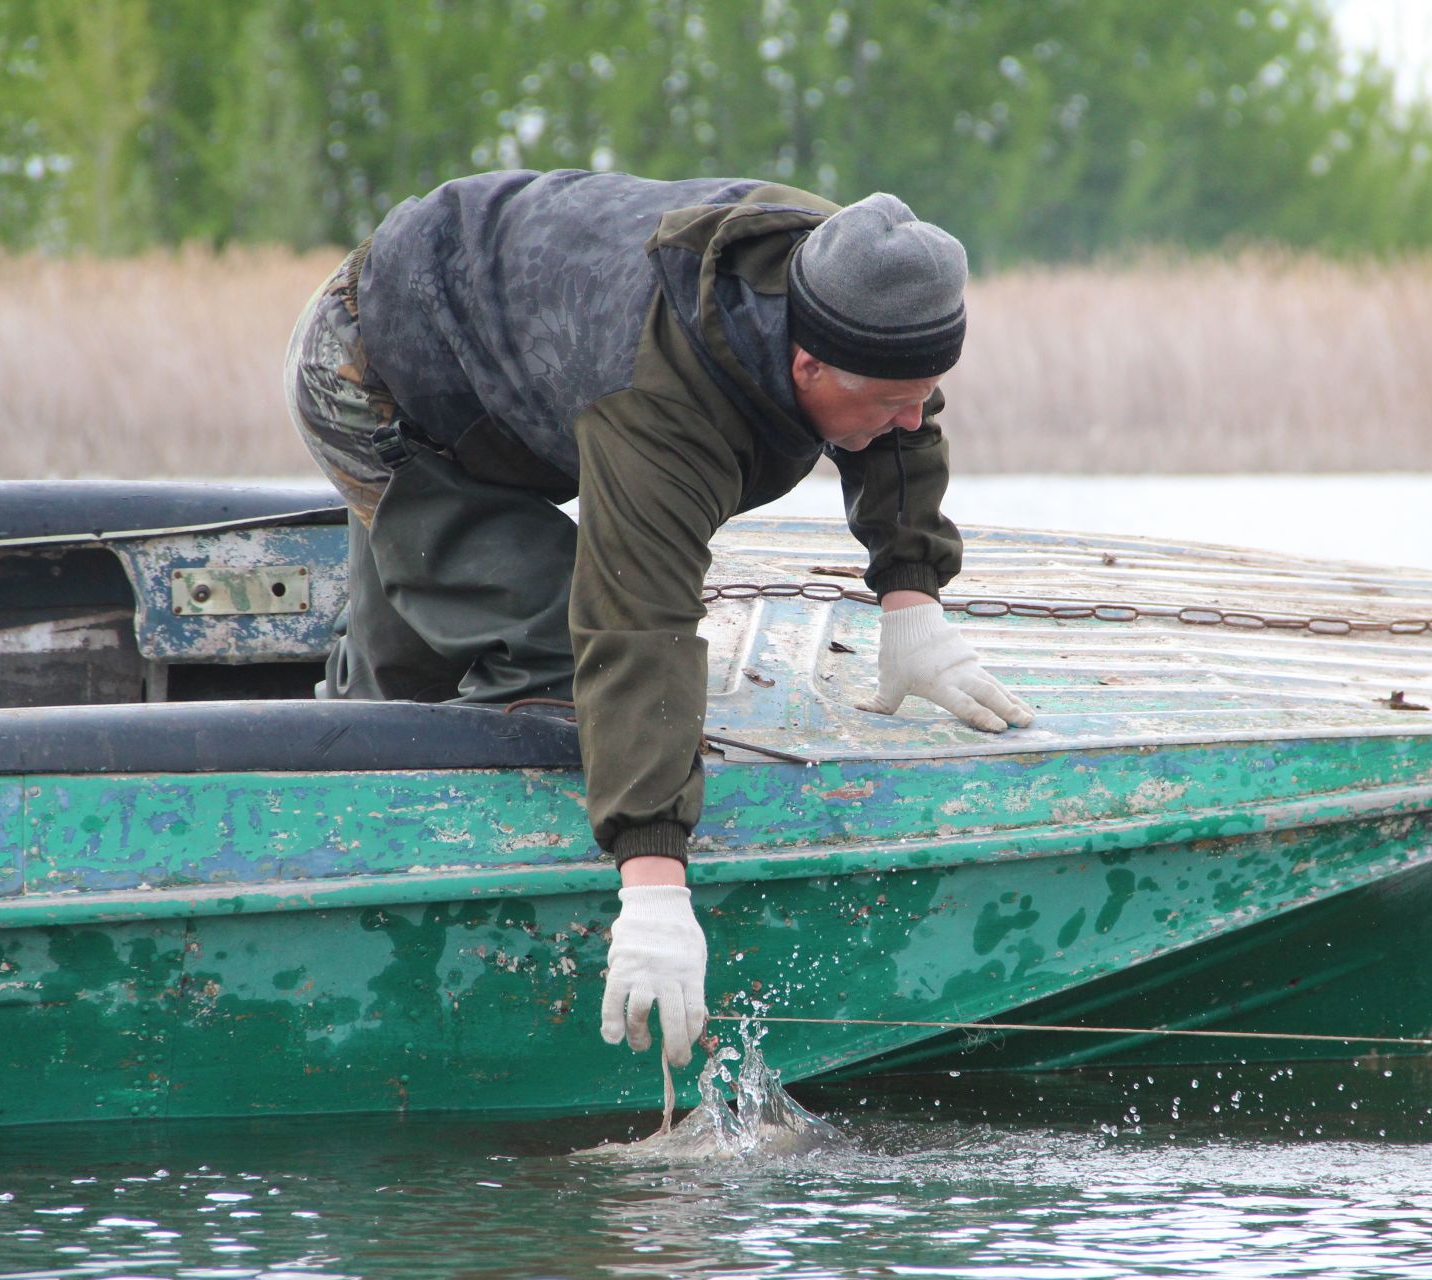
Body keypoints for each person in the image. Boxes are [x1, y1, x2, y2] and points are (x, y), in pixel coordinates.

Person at [283, 170, 1035, 1069]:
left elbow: (902, 415)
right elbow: (637, 626)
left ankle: (372, 707)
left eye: (927, 390)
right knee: (552, 642)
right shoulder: (661, 405)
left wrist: (912, 599)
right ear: (806, 366)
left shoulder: (860, 276)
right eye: (889, 403)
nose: (914, 419)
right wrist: (654, 886)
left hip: (515, 358)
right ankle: (392, 834)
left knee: (437, 635)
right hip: (374, 369)